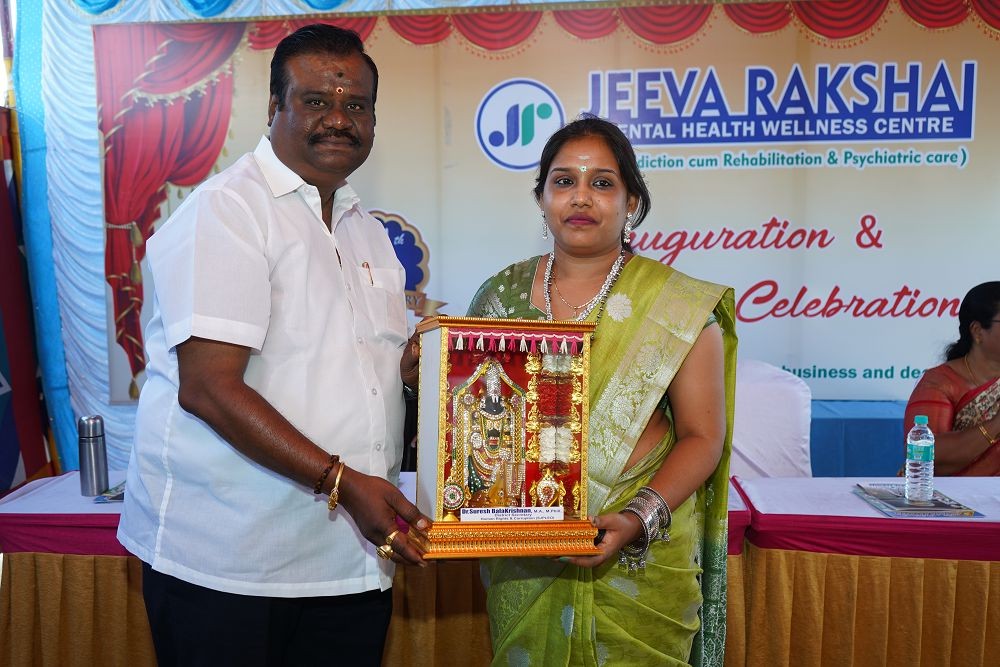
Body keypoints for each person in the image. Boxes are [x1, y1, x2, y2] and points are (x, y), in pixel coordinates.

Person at [117, 24, 428, 666]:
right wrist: (343, 482)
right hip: (230, 568)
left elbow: (352, 371)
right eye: (315, 101)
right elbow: (210, 388)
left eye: (357, 105)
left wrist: (409, 372)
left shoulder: (365, 229)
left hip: (348, 562)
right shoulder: (228, 213)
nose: (338, 119)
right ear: (273, 108)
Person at [467, 115, 737, 666]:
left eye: (603, 182)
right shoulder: (499, 297)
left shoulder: (677, 308)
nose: (581, 197)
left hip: (640, 559)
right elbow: (473, 420)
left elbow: (702, 437)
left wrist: (637, 517)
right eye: (564, 181)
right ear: (541, 198)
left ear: (631, 201)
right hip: (524, 556)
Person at [904, 281, 1000, 475]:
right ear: (977, 331)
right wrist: (996, 425)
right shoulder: (939, 383)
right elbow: (925, 457)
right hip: (949, 493)